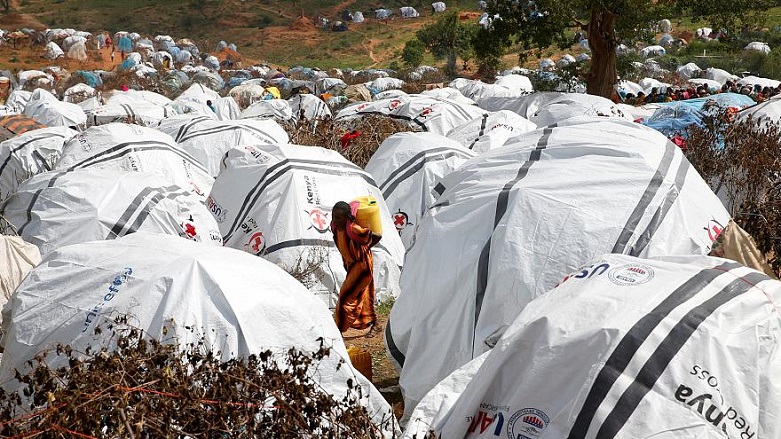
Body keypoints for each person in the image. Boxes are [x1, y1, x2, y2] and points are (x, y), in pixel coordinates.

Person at [331, 201, 382, 335]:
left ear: (347, 218)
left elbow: (378, 236)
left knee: (345, 296)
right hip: (352, 264)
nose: (335, 220)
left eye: (339, 218)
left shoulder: (354, 229)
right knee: (365, 295)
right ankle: (375, 324)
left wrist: (367, 247)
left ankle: (338, 330)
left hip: (362, 265)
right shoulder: (336, 228)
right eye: (333, 217)